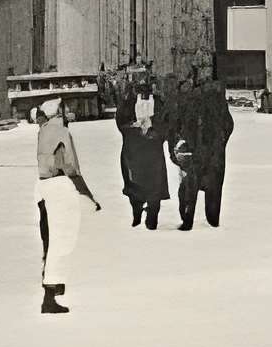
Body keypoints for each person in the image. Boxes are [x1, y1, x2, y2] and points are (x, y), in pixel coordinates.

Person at [33, 96, 102, 313]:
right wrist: (88, 195)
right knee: (61, 241)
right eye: (66, 110)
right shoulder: (61, 133)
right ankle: (50, 294)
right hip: (60, 187)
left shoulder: (44, 131)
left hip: (43, 187)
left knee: (50, 239)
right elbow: (70, 166)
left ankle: (53, 288)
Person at [177, 76, 234, 230]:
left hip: (203, 153)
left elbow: (185, 125)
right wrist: (221, 142)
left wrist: (219, 142)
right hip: (208, 152)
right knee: (208, 188)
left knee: (195, 187)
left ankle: (193, 221)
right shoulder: (213, 102)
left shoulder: (197, 102)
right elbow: (228, 125)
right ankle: (209, 221)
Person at [115, 71, 170, 230]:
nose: (143, 93)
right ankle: (137, 213)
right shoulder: (127, 104)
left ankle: (152, 219)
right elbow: (121, 122)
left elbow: (167, 123)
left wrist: (154, 129)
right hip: (134, 151)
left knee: (155, 188)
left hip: (153, 153)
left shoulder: (159, 103)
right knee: (134, 186)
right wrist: (134, 129)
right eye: (140, 89)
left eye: (146, 88)